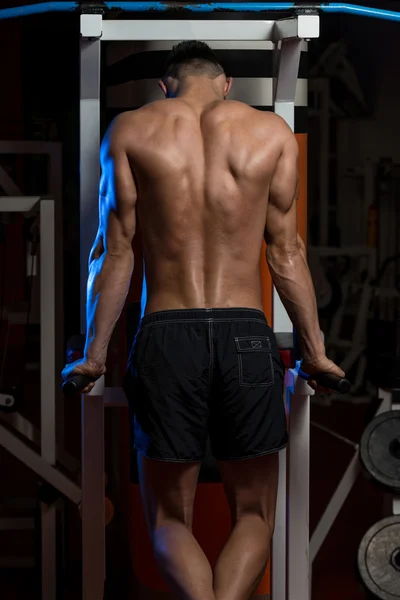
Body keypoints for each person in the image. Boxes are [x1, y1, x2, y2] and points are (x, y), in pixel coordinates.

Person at [62, 41, 344, 600]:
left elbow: (113, 253)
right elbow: (286, 254)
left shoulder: (131, 129)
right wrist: (315, 350)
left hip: (167, 333)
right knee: (256, 514)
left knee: (169, 519)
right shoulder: (269, 134)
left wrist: (94, 356)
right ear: (227, 83)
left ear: (166, 86)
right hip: (246, 331)